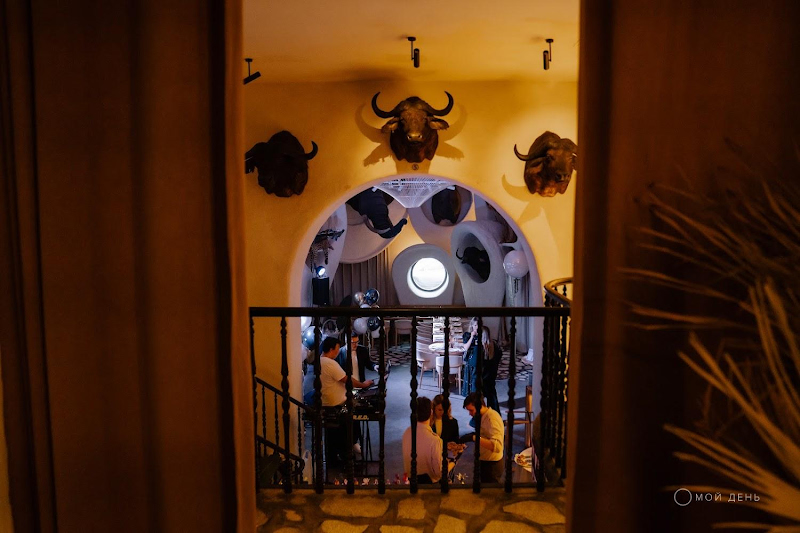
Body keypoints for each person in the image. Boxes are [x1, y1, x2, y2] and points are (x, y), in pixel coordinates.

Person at [317, 336, 373, 464]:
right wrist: (363, 385)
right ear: (331, 349)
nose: (337, 352)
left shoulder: (320, 361)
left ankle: (345, 450)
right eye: (336, 349)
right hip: (336, 404)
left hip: (328, 401)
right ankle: (349, 450)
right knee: (350, 423)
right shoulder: (330, 363)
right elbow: (347, 379)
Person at [462, 392, 504, 483]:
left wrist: (474, 438)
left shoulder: (492, 418)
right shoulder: (483, 416)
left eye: (471, 410)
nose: (470, 414)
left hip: (492, 466)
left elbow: (497, 446)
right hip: (485, 461)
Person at [402, 396, 444, 484]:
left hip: (411, 481)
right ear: (431, 412)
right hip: (429, 485)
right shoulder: (434, 440)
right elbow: (439, 473)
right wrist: (453, 462)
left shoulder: (406, 433)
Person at [479, 326, 501, 413]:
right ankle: (495, 413)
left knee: (480, 396)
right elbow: (499, 355)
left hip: (483, 376)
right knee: (492, 395)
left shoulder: (481, 348)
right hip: (492, 374)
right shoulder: (494, 345)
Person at [461, 317, 480, 395]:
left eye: (478, 325)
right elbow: (465, 347)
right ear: (472, 325)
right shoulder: (467, 335)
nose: (477, 327)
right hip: (471, 358)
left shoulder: (482, 334)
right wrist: (472, 337)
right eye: (475, 325)